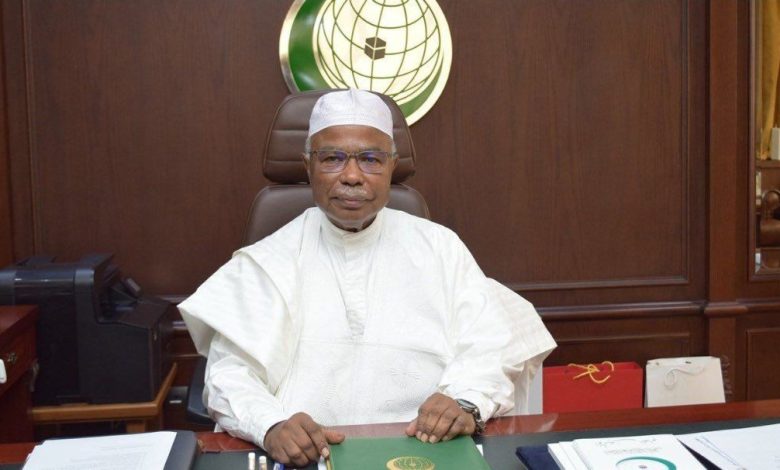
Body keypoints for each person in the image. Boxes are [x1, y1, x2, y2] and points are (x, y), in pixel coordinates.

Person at [179, 89, 556, 467]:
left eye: (371, 159)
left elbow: (489, 344)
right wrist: (271, 425)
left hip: (425, 452)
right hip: (309, 457)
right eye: (332, 158)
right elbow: (231, 374)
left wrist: (464, 401)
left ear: (392, 166)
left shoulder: (439, 247)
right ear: (308, 165)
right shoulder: (267, 261)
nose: (352, 176)